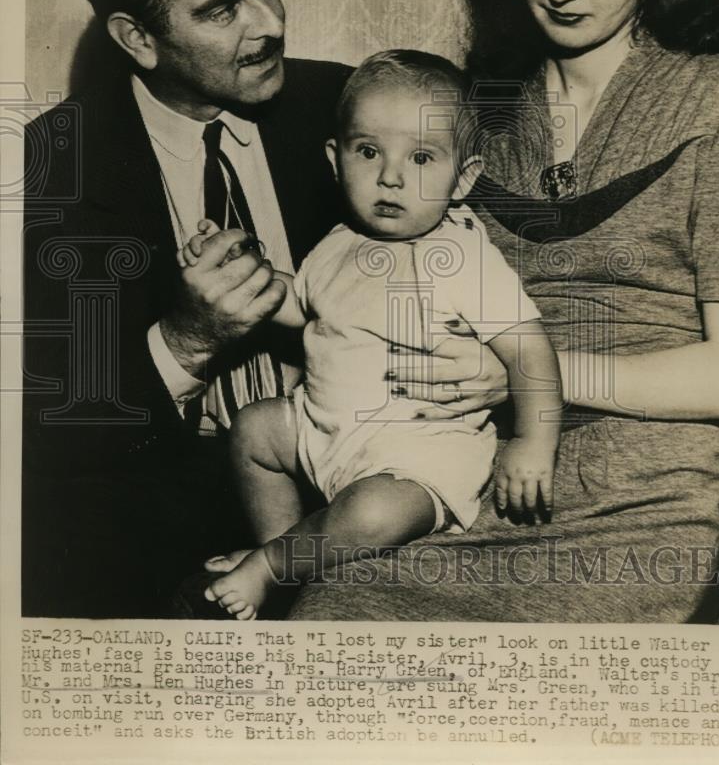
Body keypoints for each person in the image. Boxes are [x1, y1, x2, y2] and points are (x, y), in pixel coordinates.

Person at [282, 0, 719, 623]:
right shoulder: (476, 112)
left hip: (630, 508)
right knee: (320, 616)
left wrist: (534, 373)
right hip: (459, 476)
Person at [21, 0, 504, 618]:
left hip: (375, 483)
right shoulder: (49, 167)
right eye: (222, 9)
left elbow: (492, 260)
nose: (269, 23)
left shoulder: (352, 112)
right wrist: (184, 342)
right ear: (137, 38)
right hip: (170, 514)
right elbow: (49, 432)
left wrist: (493, 365)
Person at [175, 50, 563, 619]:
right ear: (336, 159)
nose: (390, 176)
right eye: (369, 151)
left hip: (415, 457)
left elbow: (530, 349)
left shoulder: (460, 256)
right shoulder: (339, 244)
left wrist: (534, 443)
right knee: (254, 430)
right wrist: (237, 268)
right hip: (322, 431)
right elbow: (301, 306)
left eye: (422, 157)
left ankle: (271, 565)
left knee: (376, 513)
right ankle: (285, 553)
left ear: (464, 177)